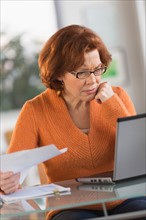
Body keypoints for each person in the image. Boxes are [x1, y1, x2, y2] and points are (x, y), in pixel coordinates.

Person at [0, 25, 145, 220]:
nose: (93, 80)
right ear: (58, 74)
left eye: (98, 69)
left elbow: (139, 158)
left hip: (125, 200)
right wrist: (5, 182)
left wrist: (112, 105)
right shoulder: (35, 110)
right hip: (69, 208)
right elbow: (11, 170)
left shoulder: (117, 97)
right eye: (82, 73)